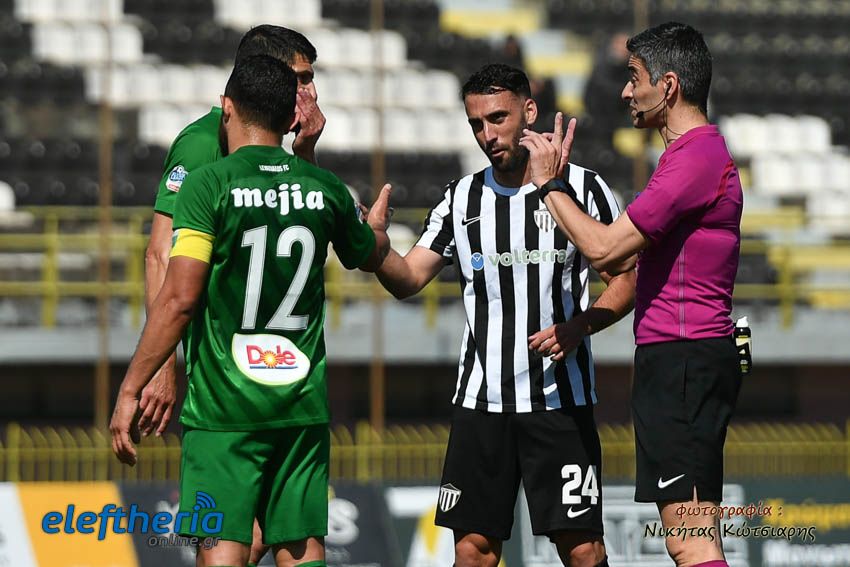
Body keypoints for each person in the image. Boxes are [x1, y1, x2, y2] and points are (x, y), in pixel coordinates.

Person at [110, 54, 391, 567]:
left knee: (222, 548)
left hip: (224, 407)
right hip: (300, 402)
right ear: (290, 117)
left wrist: (132, 387)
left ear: (227, 108)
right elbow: (370, 253)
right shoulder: (325, 187)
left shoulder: (208, 185)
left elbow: (179, 299)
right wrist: (375, 229)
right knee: (302, 546)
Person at [366, 63, 635, 567]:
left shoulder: (584, 187)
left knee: (582, 549)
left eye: (497, 119)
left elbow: (627, 279)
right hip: (481, 404)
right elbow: (407, 279)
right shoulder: (461, 198)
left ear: (529, 112)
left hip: (560, 402)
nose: (486, 135)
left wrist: (580, 327)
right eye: (476, 124)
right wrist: (376, 248)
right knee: (473, 551)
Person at [520, 22, 743, 567]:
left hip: (683, 359)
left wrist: (548, 184)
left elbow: (602, 248)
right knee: (694, 534)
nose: (625, 91)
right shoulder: (692, 157)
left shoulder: (693, 160)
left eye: (634, 78)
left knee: (690, 540)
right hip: (684, 357)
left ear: (668, 86)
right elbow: (619, 260)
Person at [139, 25, 326, 439]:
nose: (311, 93)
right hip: (221, 382)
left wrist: (306, 154)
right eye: (301, 79)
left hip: (275, 367)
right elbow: (160, 254)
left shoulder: (274, 149)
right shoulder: (202, 145)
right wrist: (162, 365)